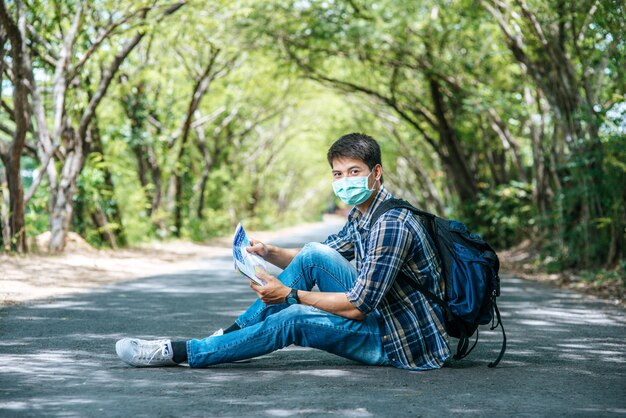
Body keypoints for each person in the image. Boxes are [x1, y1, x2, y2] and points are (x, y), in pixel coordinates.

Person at [115, 133, 450, 371]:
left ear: (376, 173)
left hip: (402, 341)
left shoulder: (391, 224)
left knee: (293, 317)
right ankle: (233, 335)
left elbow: (358, 307)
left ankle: (185, 352)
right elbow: (322, 253)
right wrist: (268, 252)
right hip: (386, 314)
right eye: (338, 174)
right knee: (314, 254)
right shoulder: (365, 211)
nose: (345, 180)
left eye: (354, 172)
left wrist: (289, 295)